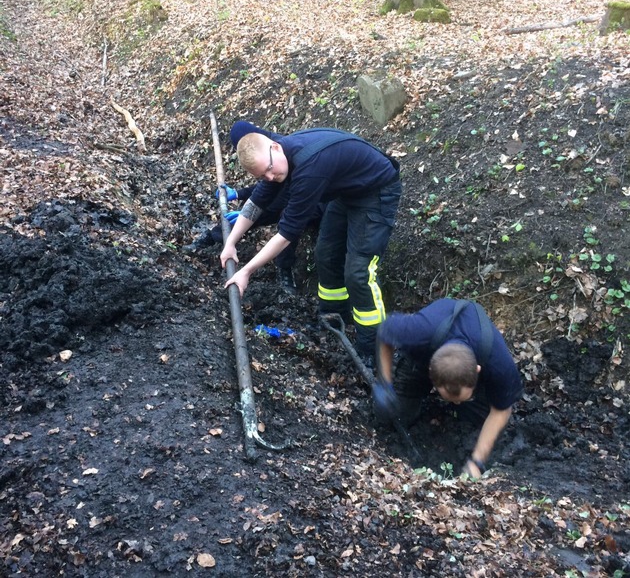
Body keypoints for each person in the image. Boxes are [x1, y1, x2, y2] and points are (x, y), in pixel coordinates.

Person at [220, 124, 402, 363]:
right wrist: (230, 242)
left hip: (377, 190)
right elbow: (256, 202)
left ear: (275, 147)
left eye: (270, 171)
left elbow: (286, 234)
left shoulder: (309, 167)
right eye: (263, 176)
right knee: (325, 255)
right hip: (347, 192)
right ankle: (333, 318)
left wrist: (246, 271)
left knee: (359, 272)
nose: (270, 177)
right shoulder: (277, 159)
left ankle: (372, 348)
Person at [372, 298, 523, 477]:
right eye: (450, 399)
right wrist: (385, 384)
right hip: (428, 349)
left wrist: (477, 461)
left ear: (478, 371)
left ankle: (469, 407)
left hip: (473, 353)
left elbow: (501, 410)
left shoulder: (499, 364)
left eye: (462, 398)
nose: (457, 403)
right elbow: (384, 332)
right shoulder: (416, 332)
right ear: (430, 375)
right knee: (396, 413)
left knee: (477, 423)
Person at [184, 122, 323, 295]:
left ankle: (285, 269)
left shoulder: (278, 152)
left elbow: (280, 195)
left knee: (283, 219)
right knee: (252, 213)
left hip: (315, 204)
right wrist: (239, 195)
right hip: (291, 196)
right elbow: (265, 189)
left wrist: (246, 270)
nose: (267, 175)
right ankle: (214, 236)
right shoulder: (267, 159)